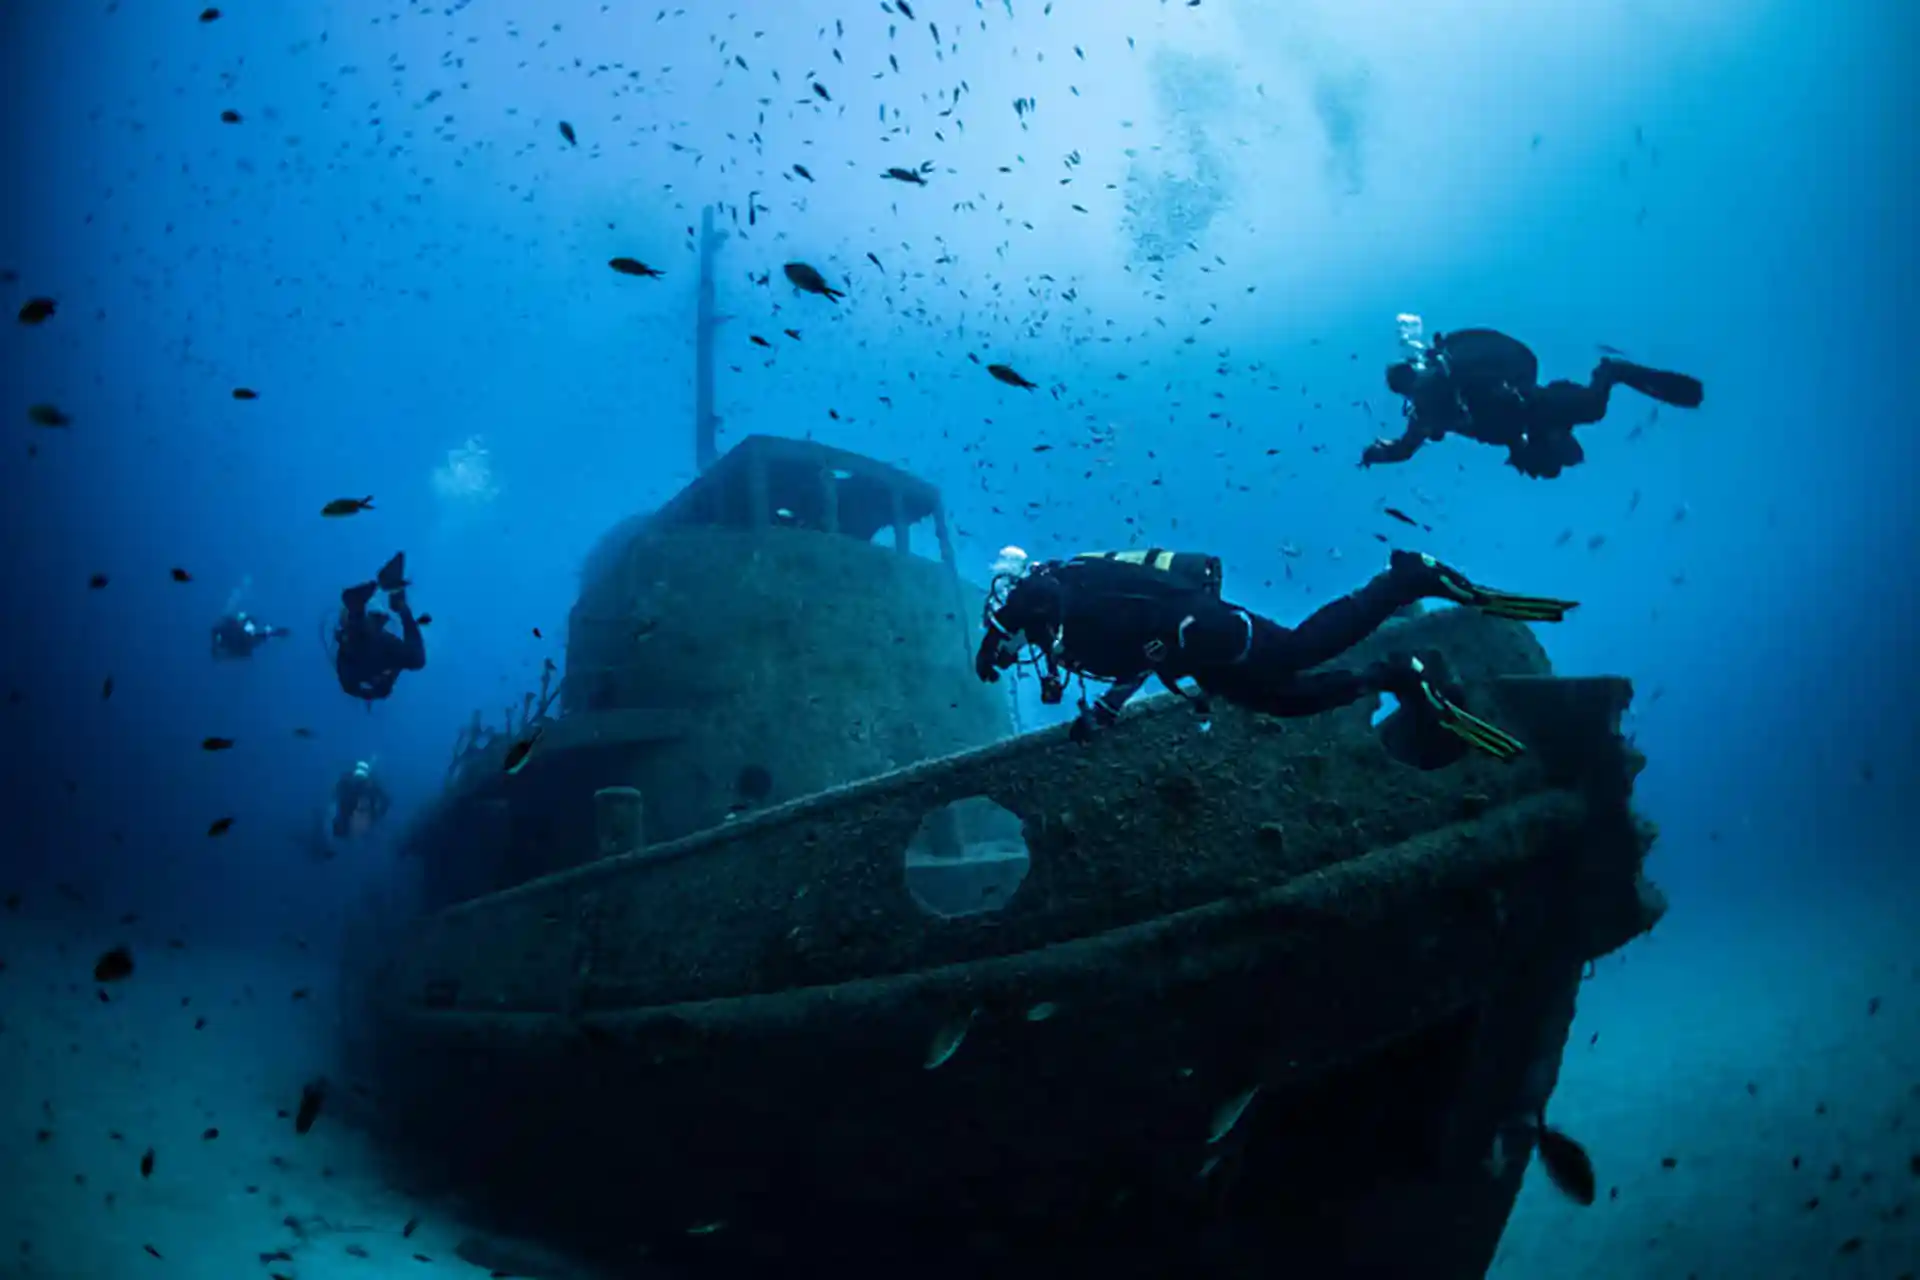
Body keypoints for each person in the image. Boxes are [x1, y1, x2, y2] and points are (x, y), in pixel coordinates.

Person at [974, 547, 1578, 762]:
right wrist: (1106, 708)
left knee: (1293, 652)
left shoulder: (1050, 591)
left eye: (1015, 643)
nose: (1021, 655)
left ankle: (1404, 580)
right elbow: (1131, 654)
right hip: (1184, 651)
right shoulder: (1062, 634)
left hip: (1197, 626)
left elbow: (1043, 590)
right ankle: (1394, 674)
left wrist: (997, 631)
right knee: (1283, 701)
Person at [1362, 322, 1704, 479]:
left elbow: (1404, 448)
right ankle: (1610, 375)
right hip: (1528, 418)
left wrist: (1379, 453)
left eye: (1412, 380)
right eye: (1408, 388)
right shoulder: (1426, 414)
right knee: (1577, 428)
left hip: (1532, 405)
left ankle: (1612, 372)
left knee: (1592, 408)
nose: (1416, 388)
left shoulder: (1445, 383)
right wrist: (1376, 454)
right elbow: (1404, 449)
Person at [334, 552, 425, 703]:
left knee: (360, 636)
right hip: (375, 644)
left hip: (365, 646)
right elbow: (350, 687)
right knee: (416, 660)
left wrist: (371, 693)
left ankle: (370, 606)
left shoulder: (356, 676)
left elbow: (349, 686)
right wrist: (378, 691)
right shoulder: (385, 673)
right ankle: (398, 601)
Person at [329, 759, 392, 840]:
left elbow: (385, 801)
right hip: (348, 817)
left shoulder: (370, 786)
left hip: (355, 817)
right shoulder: (350, 783)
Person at [211, 610, 291, 660]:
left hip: (241, 644)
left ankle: (279, 633)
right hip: (239, 644)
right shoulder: (228, 629)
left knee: (259, 637)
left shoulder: (236, 629)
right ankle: (279, 633)